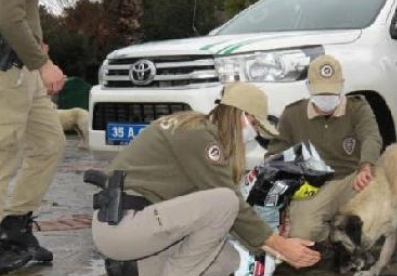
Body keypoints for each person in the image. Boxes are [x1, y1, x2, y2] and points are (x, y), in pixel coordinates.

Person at [91, 82, 321, 276]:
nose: (254, 135)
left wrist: (272, 231)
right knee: (225, 202)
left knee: (226, 260)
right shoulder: (198, 135)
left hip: (135, 224)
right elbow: (231, 204)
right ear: (240, 114)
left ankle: (137, 268)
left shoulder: (194, 127)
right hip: (123, 226)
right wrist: (280, 246)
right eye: (256, 125)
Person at [0, 0, 69, 274]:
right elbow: (8, 17)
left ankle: (14, 226)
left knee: (50, 141)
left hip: (22, 69)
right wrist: (42, 62)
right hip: (6, 73)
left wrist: (36, 51)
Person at [267, 54, 383, 264]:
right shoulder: (292, 114)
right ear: (309, 86)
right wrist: (283, 192)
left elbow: (371, 137)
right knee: (301, 231)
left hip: (352, 178)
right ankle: (333, 238)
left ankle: (357, 244)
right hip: (314, 184)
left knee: (380, 198)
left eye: (332, 90)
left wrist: (366, 166)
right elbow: (276, 152)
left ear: (342, 85)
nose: (326, 97)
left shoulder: (358, 107)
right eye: (321, 91)